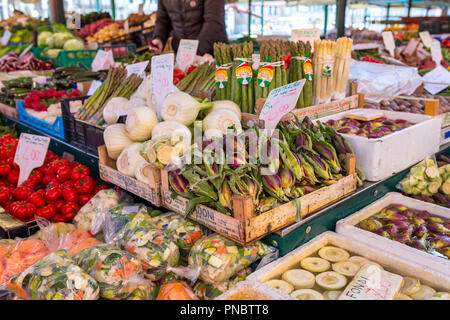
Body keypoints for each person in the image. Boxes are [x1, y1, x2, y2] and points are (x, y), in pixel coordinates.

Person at [152, 0, 228, 56]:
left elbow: (214, 22)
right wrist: (158, 38)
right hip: (182, 52)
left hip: (212, 52)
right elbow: (162, 19)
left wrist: (195, 50)